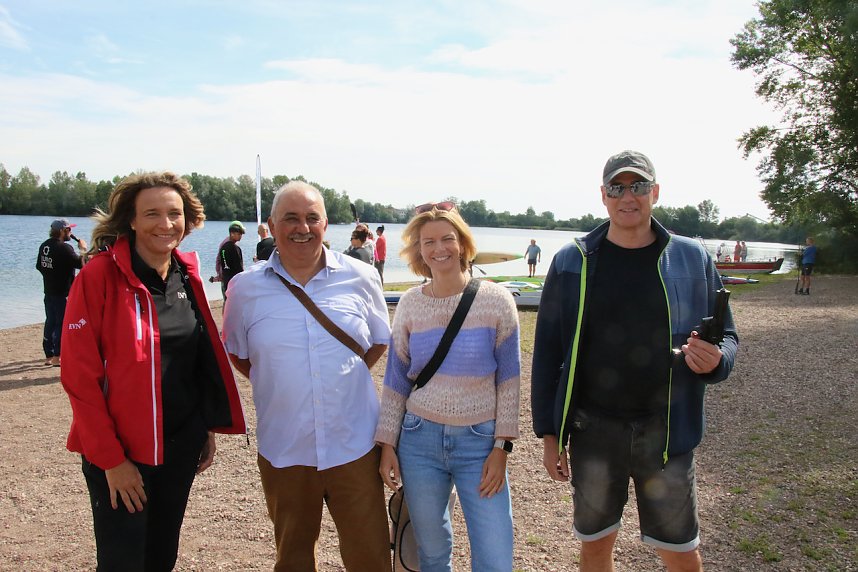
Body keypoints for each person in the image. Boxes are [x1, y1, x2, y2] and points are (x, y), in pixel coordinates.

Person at [531, 150, 738, 572]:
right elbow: (549, 351)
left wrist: (715, 361)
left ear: (655, 192)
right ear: (603, 197)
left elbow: (728, 337)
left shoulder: (691, 257)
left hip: (667, 434)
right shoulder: (574, 261)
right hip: (593, 430)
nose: (629, 196)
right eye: (617, 187)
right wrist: (550, 434)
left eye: (638, 186)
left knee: (680, 552)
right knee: (594, 545)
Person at [59, 171, 247, 571]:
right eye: (152, 214)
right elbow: (79, 378)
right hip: (122, 453)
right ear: (130, 219)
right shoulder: (99, 276)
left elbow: (195, 359)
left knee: (162, 557)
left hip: (180, 445)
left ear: (188, 219)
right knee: (122, 561)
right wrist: (112, 461)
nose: (166, 224)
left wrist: (206, 428)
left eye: (174, 214)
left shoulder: (186, 273)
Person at [222, 181, 392, 571]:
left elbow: (378, 342)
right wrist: (283, 380)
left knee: (370, 556)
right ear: (272, 224)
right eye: (291, 218)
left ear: (326, 224)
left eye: (312, 218)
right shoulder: (244, 290)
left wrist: (340, 375)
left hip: (355, 445)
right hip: (286, 447)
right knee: (293, 557)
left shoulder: (362, 277)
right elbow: (239, 354)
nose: (302, 227)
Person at [376, 202, 521, 571]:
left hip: (479, 442)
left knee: (494, 553)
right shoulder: (409, 304)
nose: (439, 248)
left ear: (463, 244)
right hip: (419, 440)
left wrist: (502, 446)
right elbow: (396, 379)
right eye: (428, 242)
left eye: (447, 239)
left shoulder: (496, 301)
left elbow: (509, 380)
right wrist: (387, 444)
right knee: (432, 550)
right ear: (418, 251)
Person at [35, 218, 87, 366]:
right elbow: (83, 265)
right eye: (69, 229)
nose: (71, 232)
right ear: (63, 231)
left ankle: (49, 355)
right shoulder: (64, 248)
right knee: (61, 323)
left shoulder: (45, 245)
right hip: (62, 293)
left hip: (48, 291)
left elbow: (39, 266)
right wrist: (83, 248)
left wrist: (51, 275)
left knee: (50, 321)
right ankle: (58, 356)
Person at [216, 220, 245, 299]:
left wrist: (219, 274)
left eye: (241, 234)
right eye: (239, 234)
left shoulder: (223, 247)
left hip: (226, 279)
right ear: (232, 234)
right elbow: (239, 267)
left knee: (227, 301)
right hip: (235, 281)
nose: (240, 236)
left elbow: (221, 262)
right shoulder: (235, 248)